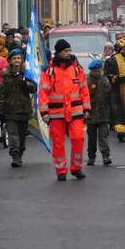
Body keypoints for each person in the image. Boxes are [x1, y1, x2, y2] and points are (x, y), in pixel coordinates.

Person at [39, 39, 91, 181]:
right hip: (56, 113)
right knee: (58, 142)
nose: (69, 53)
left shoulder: (77, 69)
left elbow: (84, 90)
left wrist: (87, 108)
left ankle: (76, 168)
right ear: (58, 53)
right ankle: (61, 169)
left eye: (69, 50)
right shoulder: (49, 71)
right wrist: (44, 112)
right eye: (65, 51)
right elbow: (43, 93)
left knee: (78, 138)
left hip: (75, 110)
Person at [0, 48, 37, 168]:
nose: (17, 60)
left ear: (22, 59)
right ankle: (15, 156)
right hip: (10, 109)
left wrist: (26, 84)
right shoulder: (6, 75)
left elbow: (34, 88)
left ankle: (20, 150)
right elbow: (1, 93)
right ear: (10, 60)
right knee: (13, 134)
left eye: (19, 58)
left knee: (22, 135)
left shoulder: (27, 73)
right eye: (14, 58)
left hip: (24, 109)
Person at [85, 59, 113, 167]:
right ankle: (91, 157)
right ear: (91, 71)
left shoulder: (105, 81)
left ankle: (106, 156)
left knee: (103, 136)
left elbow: (110, 97)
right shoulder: (87, 81)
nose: (97, 72)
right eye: (94, 71)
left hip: (103, 114)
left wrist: (112, 114)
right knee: (91, 137)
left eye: (98, 70)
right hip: (91, 115)